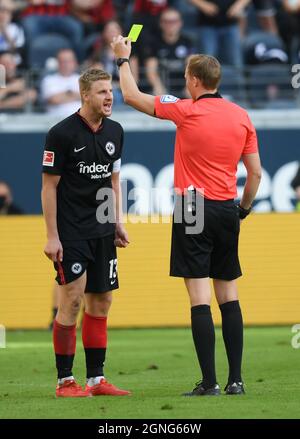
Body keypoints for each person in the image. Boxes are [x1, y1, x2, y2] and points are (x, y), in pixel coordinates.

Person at [111, 37, 262, 396]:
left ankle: (209, 382)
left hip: (192, 205)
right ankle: (236, 380)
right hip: (227, 207)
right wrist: (243, 208)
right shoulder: (241, 116)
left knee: (199, 297)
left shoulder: (185, 109)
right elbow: (254, 173)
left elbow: (131, 96)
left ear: (195, 80)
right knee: (229, 293)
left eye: (185, 76)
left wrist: (122, 60)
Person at [41, 67, 131, 398]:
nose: (110, 97)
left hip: (103, 228)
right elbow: (48, 188)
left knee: (102, 300)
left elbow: (113, 180)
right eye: (103, 92)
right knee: (73, 299)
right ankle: (65, 381)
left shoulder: (116, 131)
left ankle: (96, 380)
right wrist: (52, 235)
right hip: (71, 231)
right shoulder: (61, 133)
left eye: (111, 91)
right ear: (85, 95)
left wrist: (117, 220)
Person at [40, 48, 81, 117]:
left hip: (81, 121)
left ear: (75, 62)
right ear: (57, 63)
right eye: (63, 61)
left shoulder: (83, 79)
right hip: (56, 122)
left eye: (69, 61)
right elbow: (53, 100)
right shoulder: (48, 80)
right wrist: (77, 95)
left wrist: (64, 95)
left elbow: (90, 97)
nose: (66, 64)